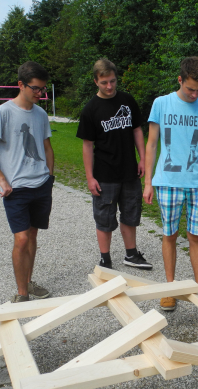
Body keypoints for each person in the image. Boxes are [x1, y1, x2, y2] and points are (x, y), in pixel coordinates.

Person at [0, 61, 54, 303]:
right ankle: (22, 294)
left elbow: (47, 147)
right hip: (16, 189)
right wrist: (2, 178)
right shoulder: (4, 112)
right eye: (36, 88)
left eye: (43, 88)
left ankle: (28, 282)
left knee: (32, 235)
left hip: (41, 185)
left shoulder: (41, 114)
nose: (40, 93)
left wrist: (50, 177)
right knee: (21, 239)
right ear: (21, 84)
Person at [143, 56, 198, 311]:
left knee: (196, 236)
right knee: (170, 235)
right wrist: (148, 183)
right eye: (190, 89)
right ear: (180, 80)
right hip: (168, 181)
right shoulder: (161, 104)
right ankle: (169, 289)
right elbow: (151, 144)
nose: (195, 94)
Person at [76, 58, 152, 270]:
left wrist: (143, 159)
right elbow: (87, 146)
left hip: (129, 171)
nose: (109, 86)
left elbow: (137, 130)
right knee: (104, 218)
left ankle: (131, 255)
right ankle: (105, 260)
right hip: (104, 174)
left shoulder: (127, 101)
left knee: (131, 214)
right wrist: (90, 177)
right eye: (104, 82)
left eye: (112, 81)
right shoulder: (90, 109)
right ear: (95, 81)